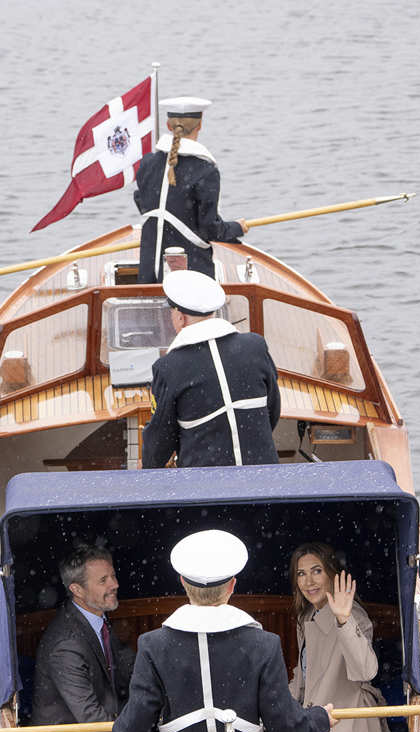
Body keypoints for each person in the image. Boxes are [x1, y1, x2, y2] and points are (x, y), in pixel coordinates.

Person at [112, 530, 335, 732]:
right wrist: (321, 719)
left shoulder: (153, 646)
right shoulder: (263, 645)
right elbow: (289, 731)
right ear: (232, 586)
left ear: (182, 583)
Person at [29, 543, 158, 732]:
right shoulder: (67, 646)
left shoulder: (94, 617)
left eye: (112, 576)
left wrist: (165, 682)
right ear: (77, 590)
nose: (115, 584)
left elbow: (124, 661)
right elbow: (91, 720)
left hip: (102, 726)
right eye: (103, 580)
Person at [279, 542, 398, 732]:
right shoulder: (306, 615)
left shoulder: (350, 615)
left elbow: (365, 670)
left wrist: (343, 619)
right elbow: (304, 678)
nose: (309, 581)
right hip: (313, 717)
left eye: (317, 571)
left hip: (347, 723)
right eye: (301, 573)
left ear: (332, 574)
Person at [142, 270, 281, 468]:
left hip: (206, 488)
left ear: (180, 317)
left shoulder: (168, 368)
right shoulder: (255, 346)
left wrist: (147, 466)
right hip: (263, 476)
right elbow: (272, 411)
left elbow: (159, 442)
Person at [134, 96, 248, 283]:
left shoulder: (147, 163)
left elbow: (143, 201)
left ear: (168, 126)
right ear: (200, 125)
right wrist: (237, 227)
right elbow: (210, 228)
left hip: (150, 272)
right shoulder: (206, 171)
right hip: (191, 272)